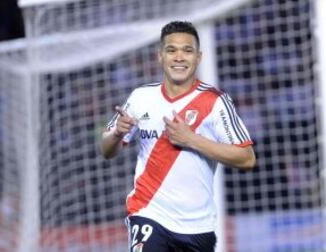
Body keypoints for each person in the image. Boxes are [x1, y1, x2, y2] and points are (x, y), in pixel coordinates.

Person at [102, 21, 256, 252]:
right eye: (171, 50)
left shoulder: (215, 101)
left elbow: (247, 158)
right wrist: (116, 133)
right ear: (160, 56)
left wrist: (191, 139)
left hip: (197, 227)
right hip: (148, 213)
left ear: (198, 57)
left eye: (187, 50)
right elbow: (107, 150)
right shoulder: (140, 97)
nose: (179, 57)